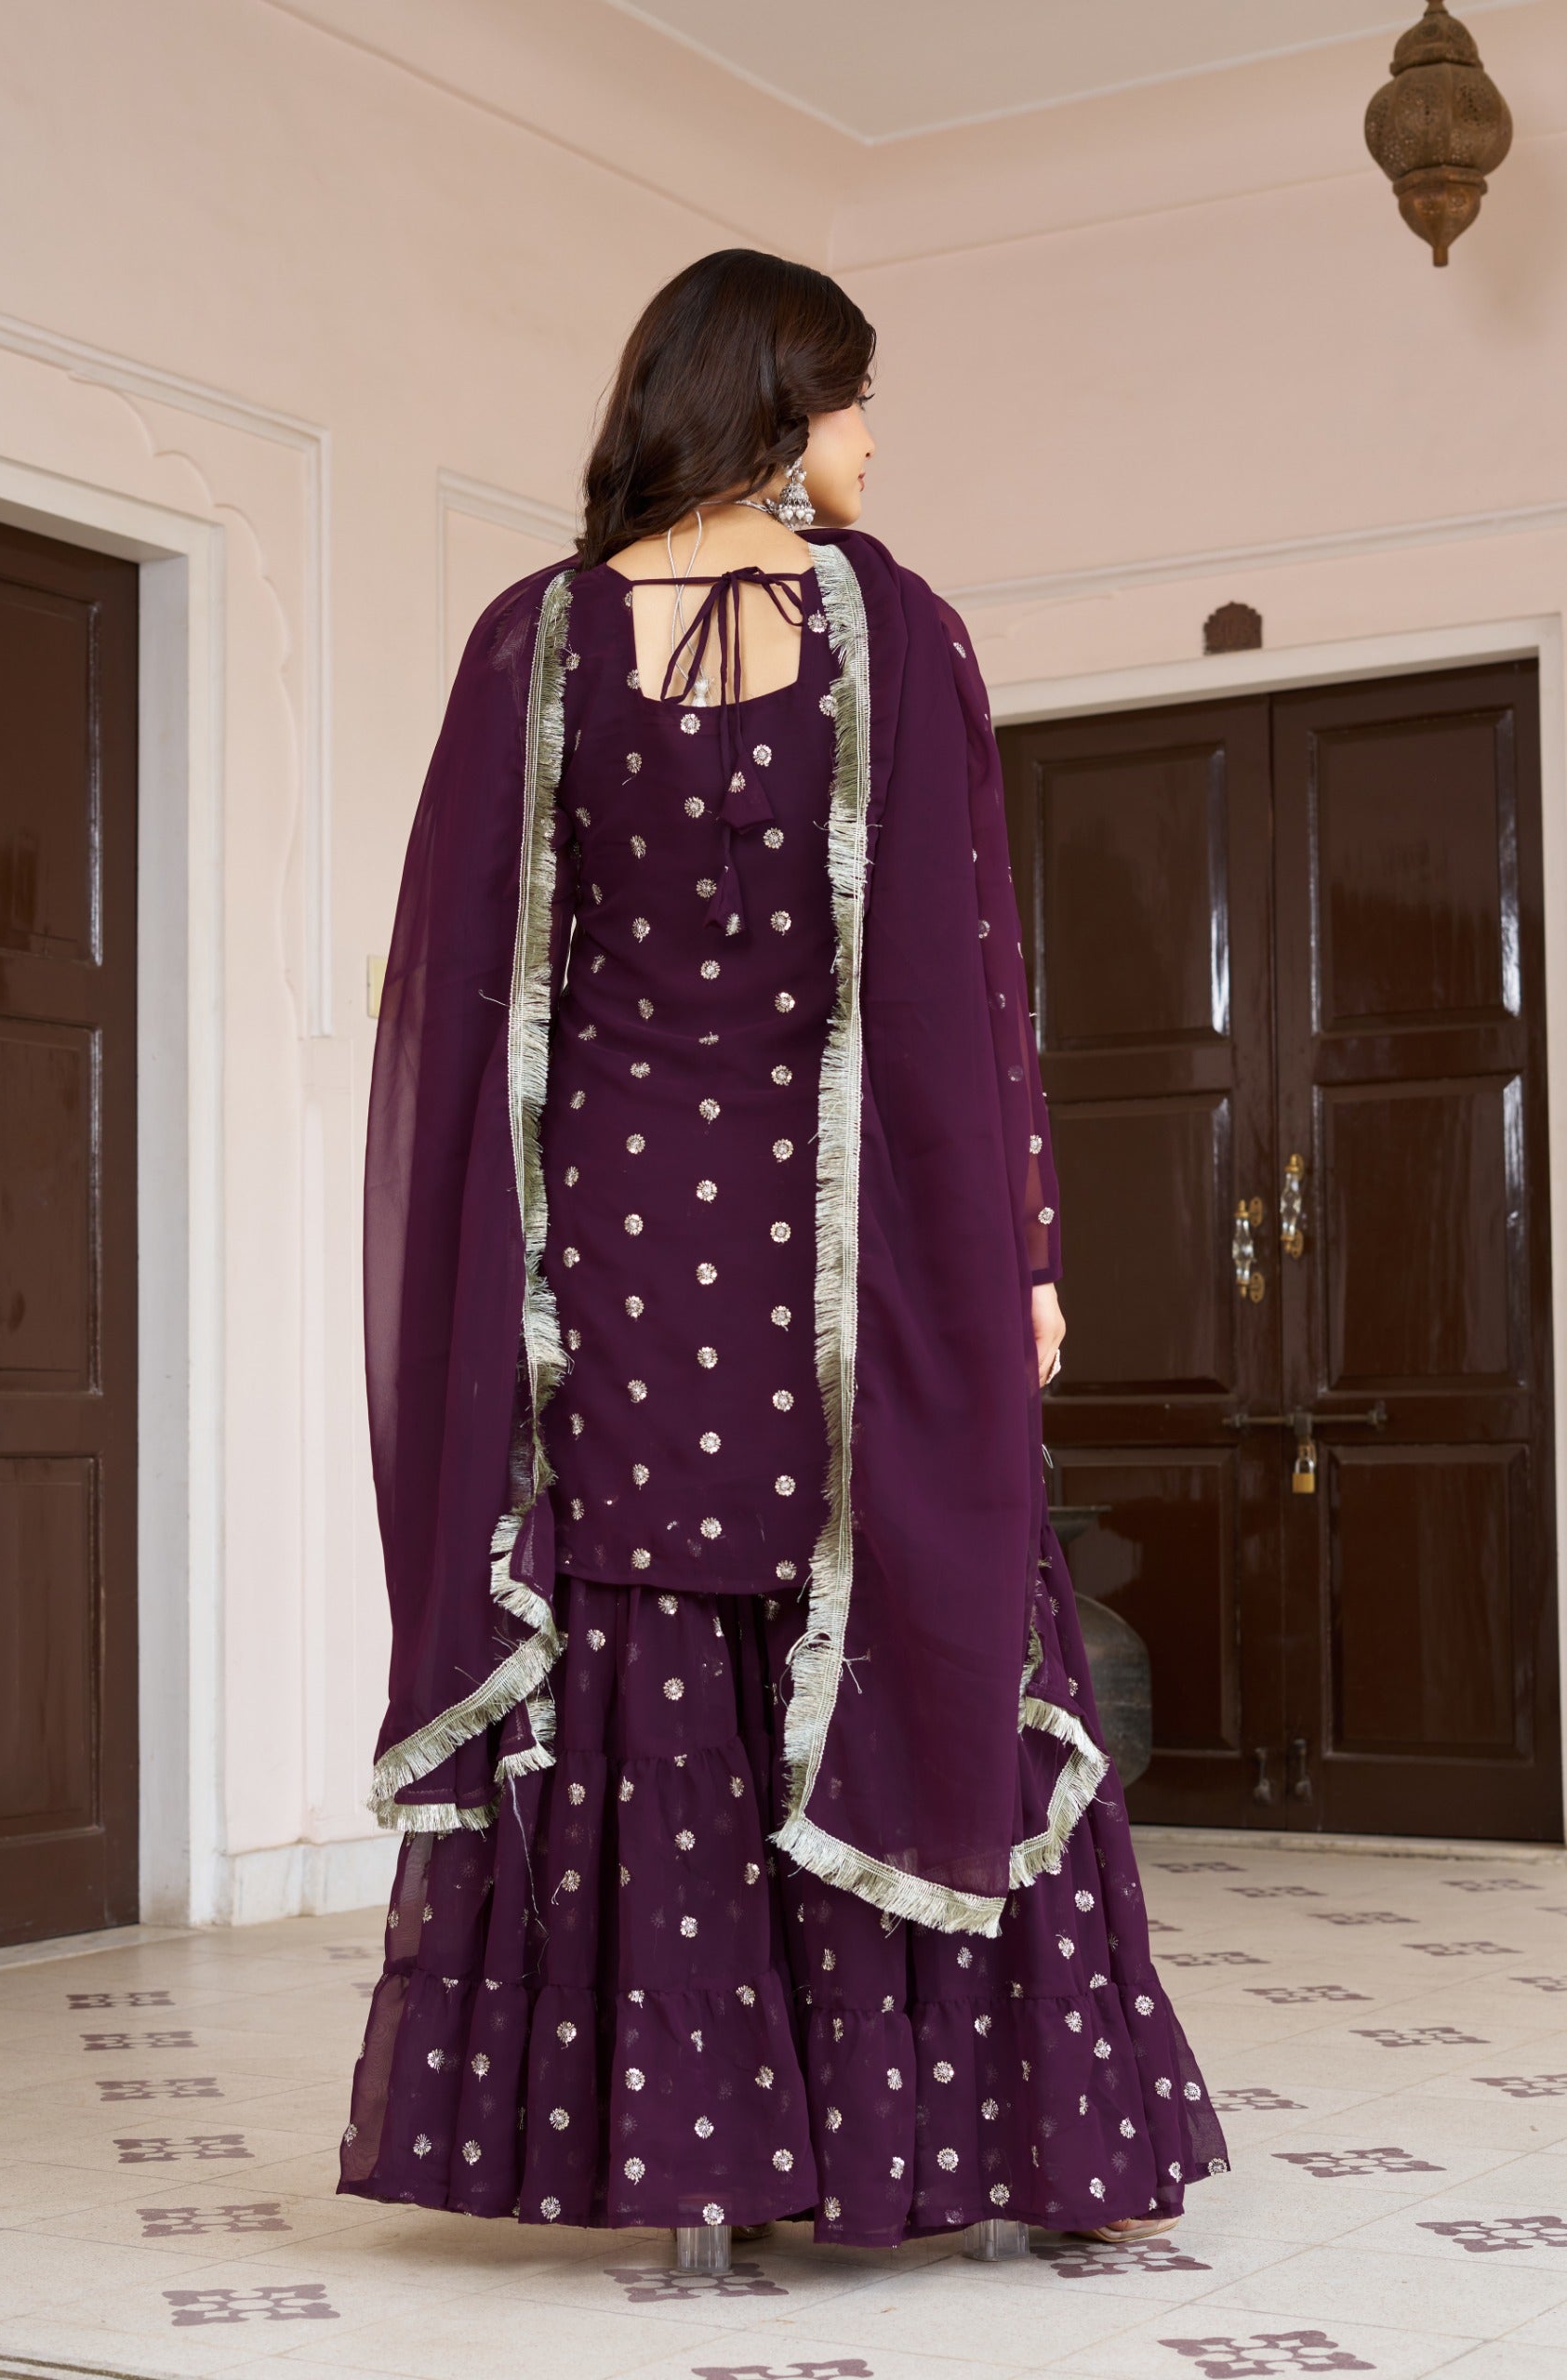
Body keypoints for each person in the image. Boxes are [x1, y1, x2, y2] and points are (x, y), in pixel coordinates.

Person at [339, 248, 1228, 2252]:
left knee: (675, 1616)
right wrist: (1016, 1240)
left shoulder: (543, 638)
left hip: (638, 1235)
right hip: (844, 1229)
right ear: (769, 403)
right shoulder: (887, 627)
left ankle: (691, 2175)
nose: (871, 440)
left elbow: (472, 991)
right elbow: (963, 973)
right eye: (851, 402)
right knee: (880, 1576)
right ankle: (980, 2150)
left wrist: (496, 1261)